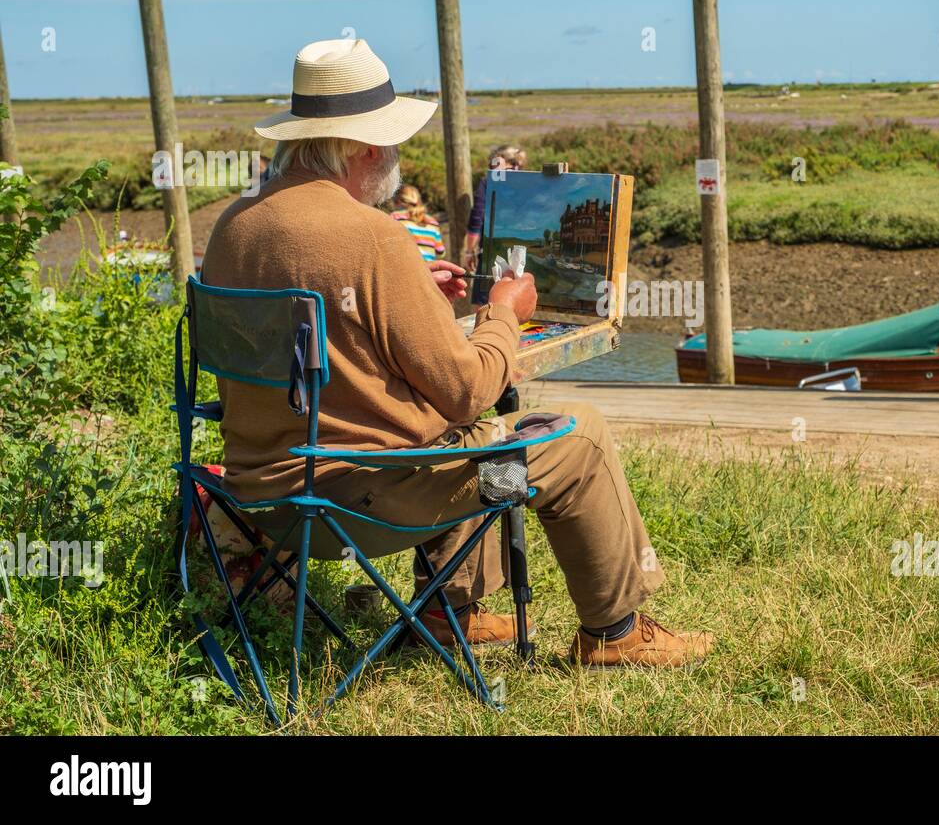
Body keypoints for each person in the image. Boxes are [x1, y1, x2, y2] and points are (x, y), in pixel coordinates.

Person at [201, 38, 710, 668]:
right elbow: (467, 387)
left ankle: (448, 614)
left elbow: (334, 341)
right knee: (577, 439)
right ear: (365, 147)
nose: (396, 154)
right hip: (360, 499)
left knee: (461, 431)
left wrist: (415, 292)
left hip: (264, 493)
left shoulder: (235, 223)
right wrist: (503, 313)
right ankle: (615, 633)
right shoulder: (371, 237)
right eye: (391, 140)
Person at [463, 145, 526, 272]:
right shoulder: (527, 181)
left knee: (488, 291)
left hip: (492, 252)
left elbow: (477, 218)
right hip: (522, 252)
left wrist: (470, 252)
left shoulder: (488, 182)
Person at [389, 183, 446, 259]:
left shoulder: (395, 217)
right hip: (428, 269)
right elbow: (440, 252)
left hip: (405, 268)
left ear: (398, 201)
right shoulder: (433, 223)